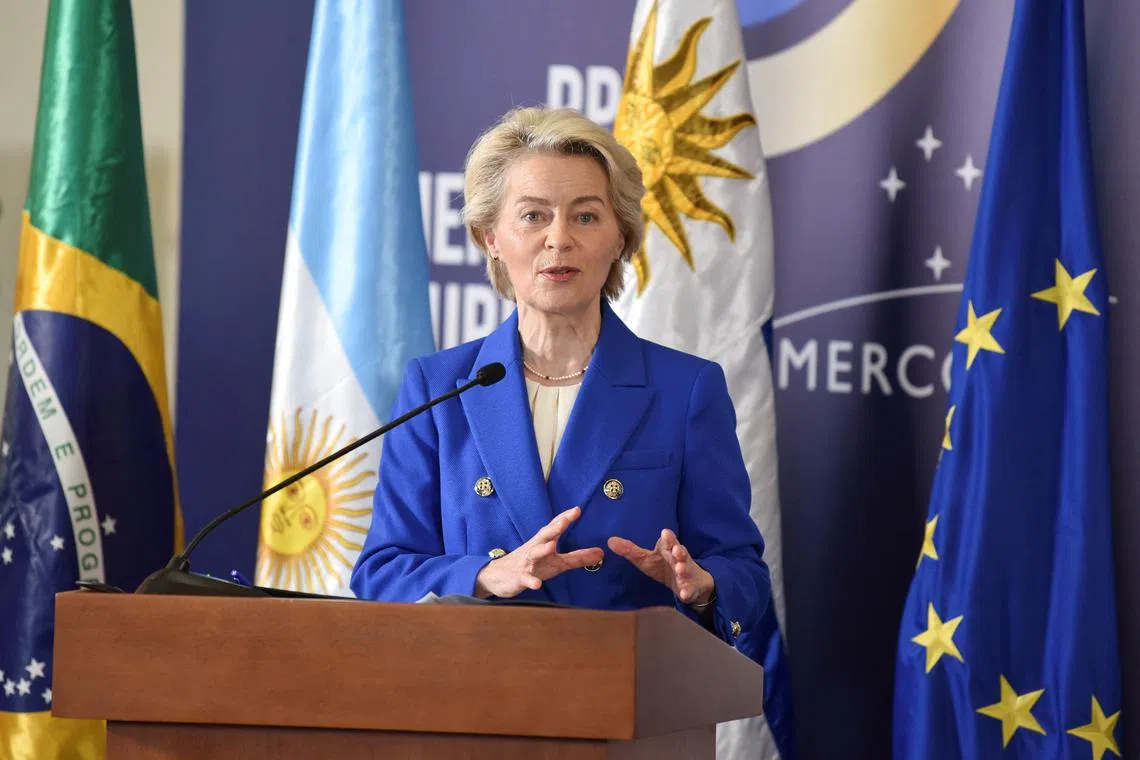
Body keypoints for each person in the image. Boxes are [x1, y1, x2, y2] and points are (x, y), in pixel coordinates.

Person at [350, 106, 772, 654]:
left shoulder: (685, 390)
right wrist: (485, 576)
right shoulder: (440, 388)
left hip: (624, 703)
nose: (559, 239)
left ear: (620, 237)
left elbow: (745, 575)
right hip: (468, 699)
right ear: (489, 237)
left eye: (586, 216)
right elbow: (382, 572)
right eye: (532, 216)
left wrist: (701, 586)